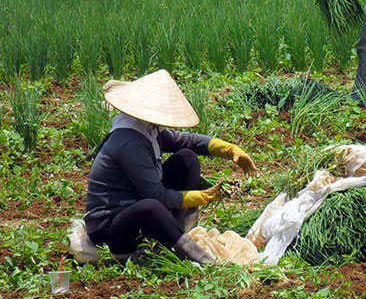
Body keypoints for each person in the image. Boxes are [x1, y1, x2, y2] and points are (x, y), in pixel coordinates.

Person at [84, 69, 257, 265]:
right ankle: (199, 258)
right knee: (151, 207)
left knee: (187, 158)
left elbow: (185, 141)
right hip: (111, 229)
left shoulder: (147, 129)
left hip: (135, 206)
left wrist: (227, 149)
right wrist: (205, 196)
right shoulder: (130, 142)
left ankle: (180, 231)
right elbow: (157, 196)